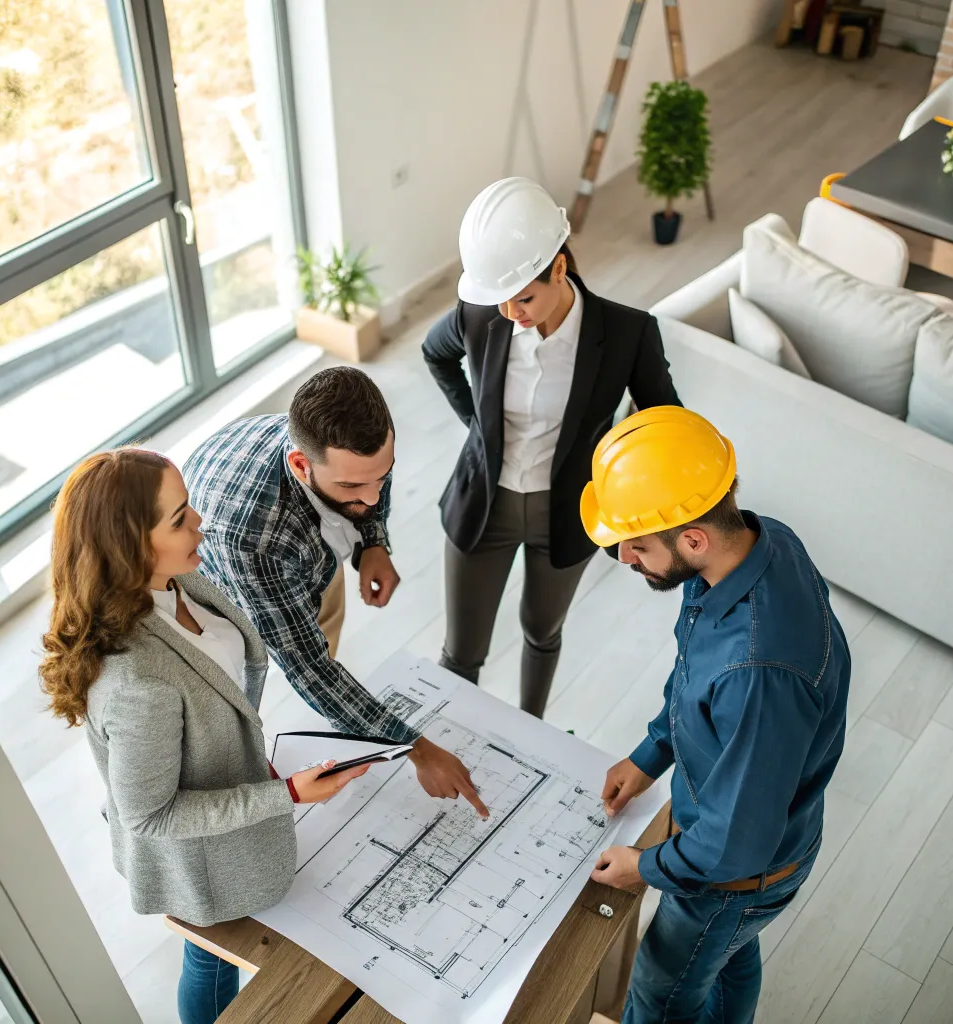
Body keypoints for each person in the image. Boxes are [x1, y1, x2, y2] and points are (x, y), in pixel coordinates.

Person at [38, 449, 372, 1024]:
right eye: (179, 517)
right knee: (212, 959)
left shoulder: (178, 579)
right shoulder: (135, 681)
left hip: (236, 801)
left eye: (189, 505)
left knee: (218, 954)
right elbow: (150, 816)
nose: (200, 524)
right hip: (203, 857)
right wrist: (287, 794)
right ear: (130, 546)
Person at [581, 407, 851, 1024]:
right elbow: (694, 673)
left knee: (659, 990)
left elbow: (736, 843)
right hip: (751, 842)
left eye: (638, 544)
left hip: (735, 875)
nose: (625, 557)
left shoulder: (756, 673)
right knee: (728, 955)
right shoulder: (762, 540)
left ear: (693, 538)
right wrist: (652, 753)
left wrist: (643, 867)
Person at [422, 177, 681, 717]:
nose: (511, 311)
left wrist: (627, 484)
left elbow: (663, 423)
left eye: (524, 297)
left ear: (559, 267)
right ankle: (452, 742)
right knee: (461, 654)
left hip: (566, 512)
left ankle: (529, 733)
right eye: (502, 299)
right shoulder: (480, 314)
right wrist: (476, 425)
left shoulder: (628, 334)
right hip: (483, 508)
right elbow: (435, 354)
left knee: (542, 633)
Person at [182, 367, 487, 816]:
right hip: (230, 584)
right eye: (351, 487)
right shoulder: (254, 540)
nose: (370, 497)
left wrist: (373, 543)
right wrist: (417, 749)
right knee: (270, 687)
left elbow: (368, 484)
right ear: (300, 464)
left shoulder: (349, 454)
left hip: (306, 554)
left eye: (381, 477)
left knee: (325, 633)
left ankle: (347, 722)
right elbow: (308, 668)